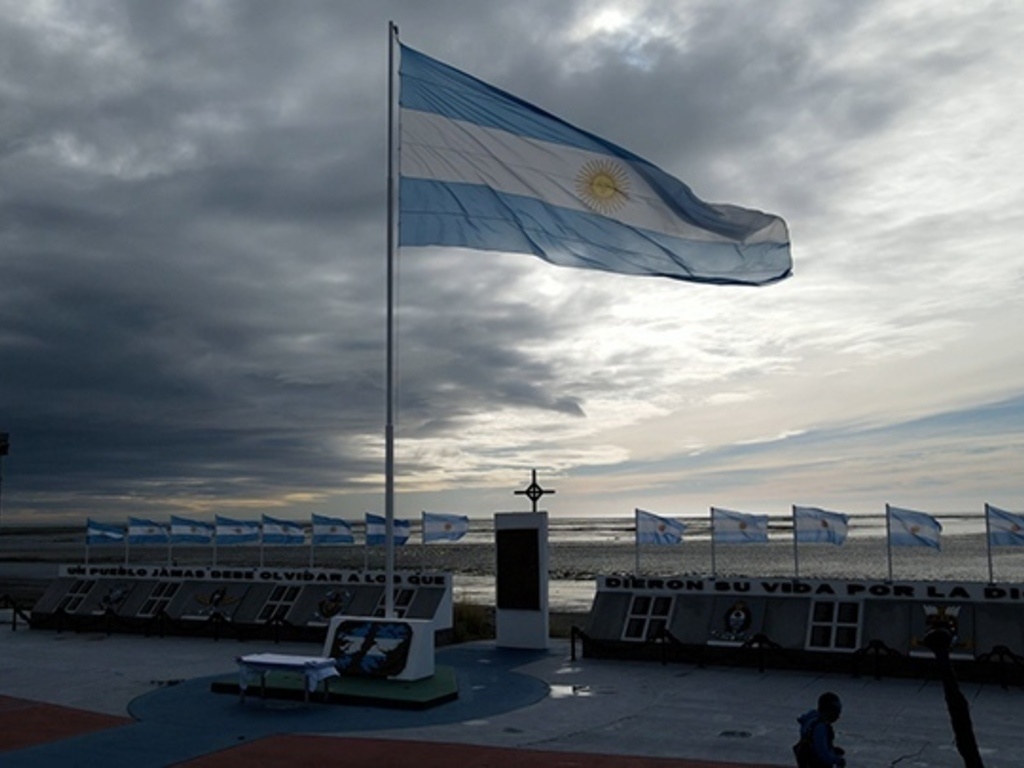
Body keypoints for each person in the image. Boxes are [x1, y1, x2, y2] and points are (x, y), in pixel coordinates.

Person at [794, 691, 846, 767]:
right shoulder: (820, 727)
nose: (838, 716)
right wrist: (837, 760)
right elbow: (823, 753)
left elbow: (814, 745)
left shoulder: (810, 721)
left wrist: (832, 750)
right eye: (836, 711)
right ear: (829, 710)